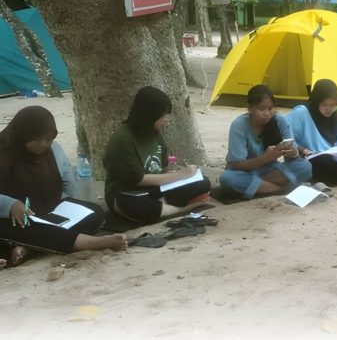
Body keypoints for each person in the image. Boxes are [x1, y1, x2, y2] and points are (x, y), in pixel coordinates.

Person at [0, 106, 117, 266]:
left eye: (48, 139)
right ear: (23, 135)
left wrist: (74, 203)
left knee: (94, 213)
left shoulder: (53, 149)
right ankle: (90, 243)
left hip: (49, 211)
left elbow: (68, 179)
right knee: (9, 229)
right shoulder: (3, 151)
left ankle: (30, 247)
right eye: (37, 139)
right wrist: (10, 204)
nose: (43, 144)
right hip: (15, 219)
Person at [103, 86, 212, 223]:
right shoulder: (123, 139)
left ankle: (161, 207)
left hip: (154, 190)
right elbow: (138, 179)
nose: (165, 120)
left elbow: (162, 169)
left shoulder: (154, 134)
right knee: (133, 205)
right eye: (162, 116)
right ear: (149, 115)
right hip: (129, 193)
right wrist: (180, 175)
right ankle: (181, 209)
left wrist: (181, 174)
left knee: (202, 182)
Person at [220, 85, 313, 199]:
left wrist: (293, 153)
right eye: (262, 109)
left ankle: (259, 188)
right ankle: (282, 189)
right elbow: (235, 165)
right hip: (245, 172)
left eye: (270, 108)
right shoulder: (239, 125)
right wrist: (265, 158)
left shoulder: (279, 120)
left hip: (270, 171)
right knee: (227, 179)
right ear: (250, 108)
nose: (267, 113)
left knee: (305, 166)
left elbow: (293, 157)